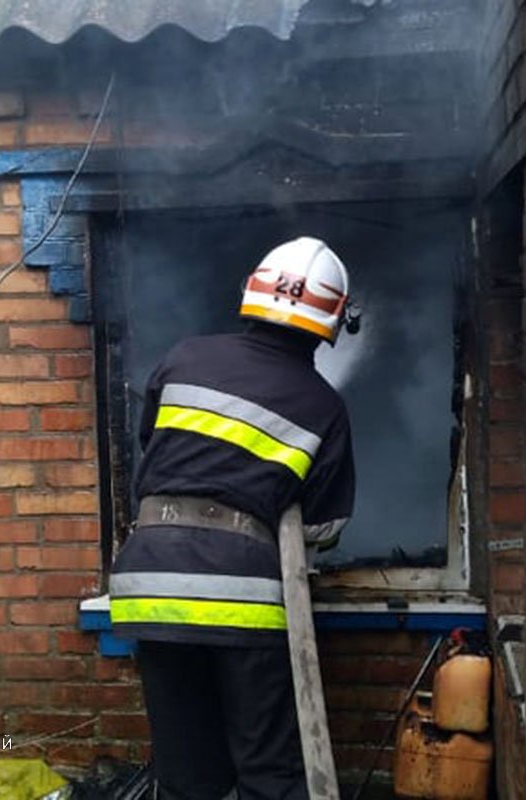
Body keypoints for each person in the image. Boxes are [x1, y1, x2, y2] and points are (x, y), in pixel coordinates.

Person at [108, 237, 357, 800]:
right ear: (336, 319)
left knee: (187, 773)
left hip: (149, 584)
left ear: (251, 292)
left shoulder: (184, 357)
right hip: (241, 594)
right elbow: (322, 527)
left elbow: (153, 444)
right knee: (267, 768)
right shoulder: (322, 405)